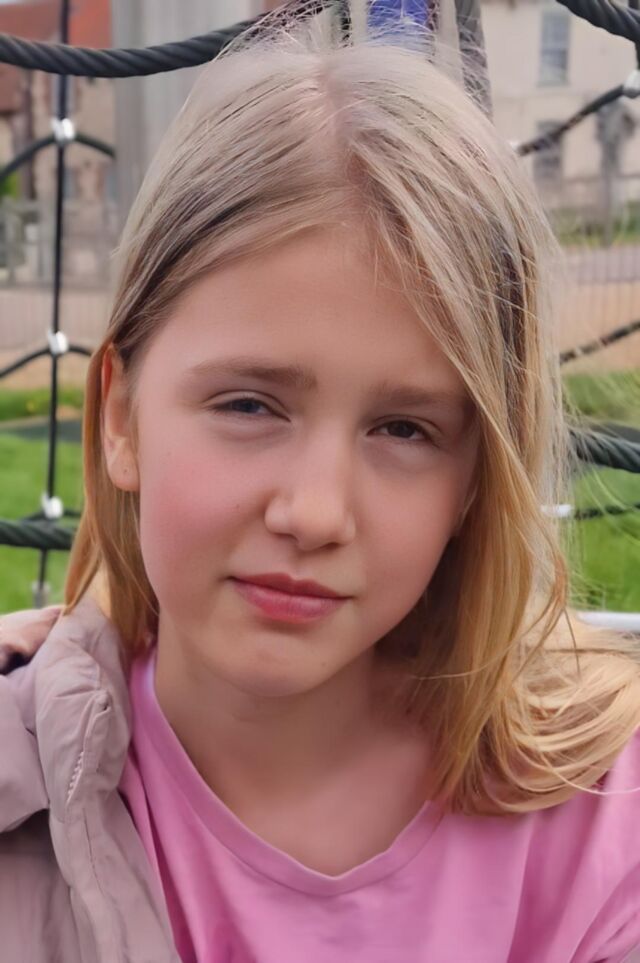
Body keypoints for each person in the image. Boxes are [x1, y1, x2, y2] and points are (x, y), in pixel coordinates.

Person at [1, 4, 640, 962]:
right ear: (121, 417)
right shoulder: (23, 790)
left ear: (476, 476)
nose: (314, 512)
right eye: (249, 405)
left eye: (405, 428)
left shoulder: (599, 816)